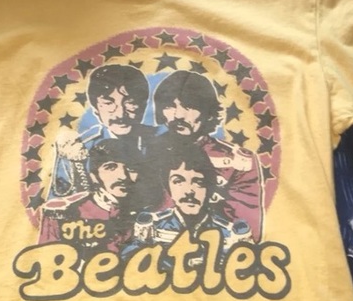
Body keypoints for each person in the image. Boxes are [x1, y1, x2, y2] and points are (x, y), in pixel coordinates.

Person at [152, 70, 264, 241]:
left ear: (208, 112)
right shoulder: (145, 151)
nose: (178, 115)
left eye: (189, 106)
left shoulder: (237, 160)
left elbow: (245, 228)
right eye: (169, 106)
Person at [124, 144, 251, 267]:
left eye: (198, 182)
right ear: (169, 188)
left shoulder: (229, 233)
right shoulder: (153, 225)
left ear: (209, 188)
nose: (189, 191)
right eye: (178, 181)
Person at [39, 139, 145, 254]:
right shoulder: (63, 213)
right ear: (94, 176)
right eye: (110, 167)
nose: (123, 176)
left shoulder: (147, 214)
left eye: (131, 169)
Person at [85, 64, 154, 152]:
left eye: (130, 102)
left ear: (144, 106)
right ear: (96, 109)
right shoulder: (84, 147)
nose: (120, 114)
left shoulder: (164, 139)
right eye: (108, 103)